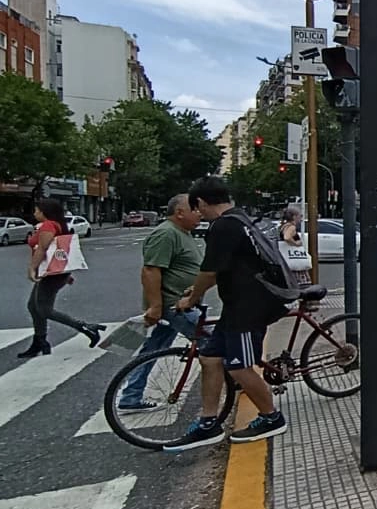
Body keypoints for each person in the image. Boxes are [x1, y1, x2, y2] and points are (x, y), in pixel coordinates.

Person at [165, 177, 288, 451]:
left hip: (248, 309)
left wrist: (191, 299)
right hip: (236, 307)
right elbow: (222, 270)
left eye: (197, 208)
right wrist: (196, 290)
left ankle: (272, 417)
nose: (199, 214)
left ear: (201, 202)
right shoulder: (239, 219)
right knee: (210, 358)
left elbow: (210, 272)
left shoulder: (224, 226)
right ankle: (209, 422)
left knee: (239, 366)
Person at [117, 194, 205, 411]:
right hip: (175, 305)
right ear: (179, 212)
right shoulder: (166, 233)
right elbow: (150, 270)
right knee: (214, 345)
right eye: (194, 209)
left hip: (180, 303)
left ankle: (131, 396)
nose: (200, 213)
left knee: (154, 349)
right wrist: (155, 306)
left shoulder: (182, 233)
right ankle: (238, 383)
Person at [19, 198, 104, 358]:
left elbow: (43, 249)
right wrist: (66, 273)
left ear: (44, 212)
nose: (34, 213)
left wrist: (32, 268)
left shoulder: (48, 225)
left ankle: (86, 327)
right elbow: (60, 251)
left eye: (36, 210)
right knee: (33, 306)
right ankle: (40, 342)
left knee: (44, 309)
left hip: (51, 274)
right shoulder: (57, 225)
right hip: (53, 273)